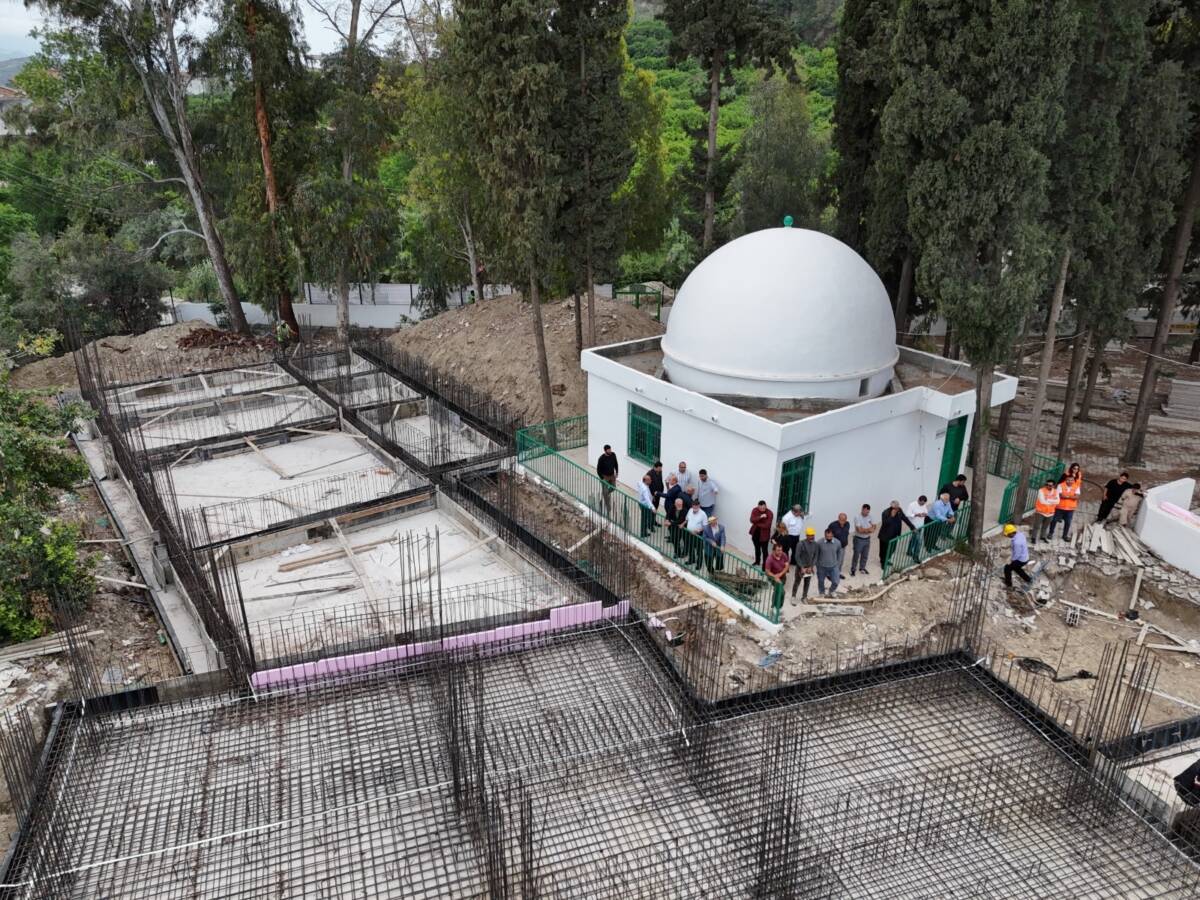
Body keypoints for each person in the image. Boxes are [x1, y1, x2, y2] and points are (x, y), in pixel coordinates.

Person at [877, 501, 915, 573]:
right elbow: (885, 523)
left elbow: (905, 519)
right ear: (892, 507)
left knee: (892, 549)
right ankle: (882, 562)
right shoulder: (885, 512)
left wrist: (912, 527)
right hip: (885, 536)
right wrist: (892, 516)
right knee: (883, 550)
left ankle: (886, 559)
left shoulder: (899, 510)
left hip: (894, 535)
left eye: (897, 507)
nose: (897, 509)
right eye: (895, 507)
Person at [1051, 463, 1082, 540]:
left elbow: (1077, 496)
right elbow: (1061, 495)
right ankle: (1050, 533)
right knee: (1054, 520)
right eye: (1074, 468)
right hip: (1060, 506)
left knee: (1068, 522)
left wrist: (1068, 496)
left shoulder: (1079, 476)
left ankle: (1065, 536)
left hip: (1070, 507)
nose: (1075, 470)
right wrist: (1071, 496)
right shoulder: (1063, 482)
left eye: (1077, 469)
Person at [1029, 478, 1059, 546]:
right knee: (1036, 526)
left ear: (1053, 486)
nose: (1048, 486)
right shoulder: (1041, 490)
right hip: (1041, 512)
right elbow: (1042, 501)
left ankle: (1043, 536)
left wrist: (1048, 500)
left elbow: (1057, 501)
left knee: (1045, 526)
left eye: (1050, 485)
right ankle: (1033, 538)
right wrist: (1052, 500)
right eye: (1047, 485)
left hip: (1050, 513)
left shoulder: (1056, 492)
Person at [815, 529, 844, 598]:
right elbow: (816, 554)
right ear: (824, 535)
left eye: (830, 536)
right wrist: (817, 565)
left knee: (836, 581)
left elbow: (840, 552)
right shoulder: (819, 542)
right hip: (821, 566)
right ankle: (822, 592)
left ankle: (831, 591)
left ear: (833, 535)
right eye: (827, 536)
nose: (828, 538)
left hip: (833, 566)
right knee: (821, 581)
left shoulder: (837, 542)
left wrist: (838, 563)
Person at [792, 527, 818, 601]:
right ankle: (793, 596)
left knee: (807, 582)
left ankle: (804, 597)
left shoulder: (815, 545)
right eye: (810, 535)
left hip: (809, 566)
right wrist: (801, 567)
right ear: (806, 535)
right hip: (800, 567)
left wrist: (811, 566)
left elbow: (816, 556)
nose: (812, 536)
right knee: (797, 582)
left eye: (813, 535)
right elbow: (797, 556)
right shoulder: (801, 544)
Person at [1003, 523, 1032, 589]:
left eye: (1007, 534)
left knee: (1007, 568)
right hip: (1025, 557)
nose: (1007, 536)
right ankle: (1028, 579)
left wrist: (1011, 560)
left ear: (1011, 533)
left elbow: (1017, 555)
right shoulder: (1020, 534)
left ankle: (1008, 585)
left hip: (1021, 559)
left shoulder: (1017, 542)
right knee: (1017, 568)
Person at [764, 544, 790, 614]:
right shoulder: (769, 559)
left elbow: (787, 566)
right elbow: (767, 571)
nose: (780, 552)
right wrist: (775, 576)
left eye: (781, 550)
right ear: (773, 551)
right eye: (778, 550)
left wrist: (781, 574)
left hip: (782, 576)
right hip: (773, 577)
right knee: (781, 592)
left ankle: (777, 607)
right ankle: (775, 607)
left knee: (778, 592)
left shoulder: (784, 555)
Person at [850, 504, 875, 576]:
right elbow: (859, 530)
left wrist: (866, 530)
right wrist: (869, 530)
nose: (866, 513)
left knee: (865, 555)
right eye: (865, 511)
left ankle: (862, 568)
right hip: (858, 539)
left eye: (868, 512)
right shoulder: (857, 517)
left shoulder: (870, 516)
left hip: (867, 539)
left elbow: (874, 526)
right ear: (862, 509)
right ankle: (853, 569)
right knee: (856, 555)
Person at [749, 501, 774, 566]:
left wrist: (756, 523)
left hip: (764, 535)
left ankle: (765, 565)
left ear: (766, 506)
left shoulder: (770, 513)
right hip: (755, 533)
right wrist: (760, 517)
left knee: (764, 551)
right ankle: (757, 561)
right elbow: (751, 520)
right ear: (758, 507)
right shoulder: (755, 510)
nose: (763, 509)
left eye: (764, 508)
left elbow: (767, 525)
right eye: (761, 508)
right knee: (757, 549)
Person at [685, 500, 707, 566]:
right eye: (694, 507)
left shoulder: (703, 514)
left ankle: (699, 564)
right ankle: (692, 560)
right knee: (690, 547)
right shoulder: (690, 510)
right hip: (689, 533)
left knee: (699, 550)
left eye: (696, 508)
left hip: (698, 535)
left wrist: (698, 530)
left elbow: (705, 526)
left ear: (699, 506)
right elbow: (687, 519)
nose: (694, 509)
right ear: (692, 506)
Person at [596, 445, 619, 509]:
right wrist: (602, 478)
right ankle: (608, 506)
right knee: (605, 491)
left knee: (613, 488)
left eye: (610, 449)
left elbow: (616, 464)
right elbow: (598, 470)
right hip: (604, 477)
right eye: (608, 450)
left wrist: (617, 472)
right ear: (605, 451)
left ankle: (605, 495)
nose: (610, 451)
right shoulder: (601, 458)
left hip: (612, 475)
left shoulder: (613, 455)